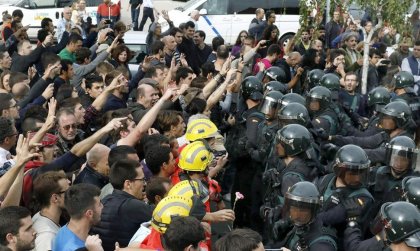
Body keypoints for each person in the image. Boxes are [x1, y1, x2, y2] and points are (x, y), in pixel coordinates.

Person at [91, 159, 152, 250]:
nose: (144, 183)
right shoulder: (133, 205)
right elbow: (165, 214)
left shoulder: (104, 200)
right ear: (128, 184)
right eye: (142, 180)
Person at [272, 182, 337, 250]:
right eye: (294, 209)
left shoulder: (322, 243)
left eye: (302, 211)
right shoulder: (296, 227)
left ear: (313, 212)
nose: (297, 215)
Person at [53, 183, 103, 251]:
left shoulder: (63, 231)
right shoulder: (72, 248)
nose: (102, 206)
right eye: (99, 204)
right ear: (89, 213)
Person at [32, 171, 69, 251]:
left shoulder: (39, 215)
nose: (72, 195)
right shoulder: (47, 236)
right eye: (68, 192)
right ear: (55, 198)